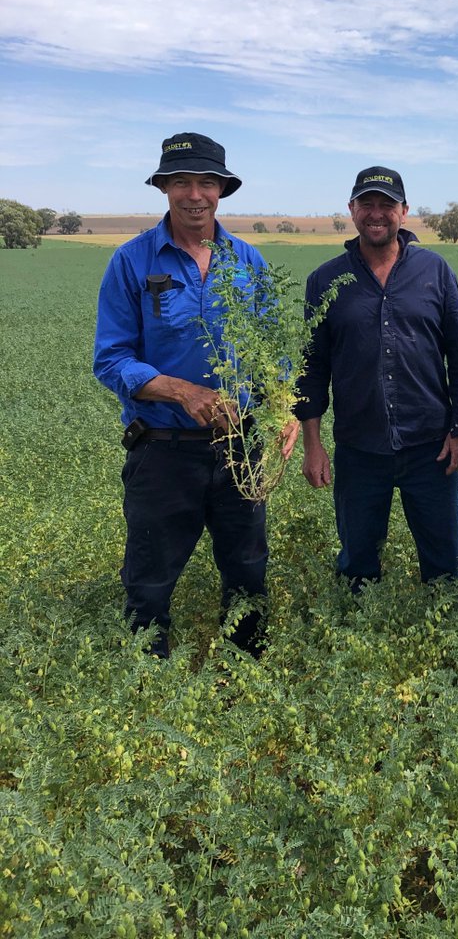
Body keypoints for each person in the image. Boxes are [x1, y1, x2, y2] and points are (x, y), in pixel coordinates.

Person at [93, 132, 299, 657]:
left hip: (240, 449)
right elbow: (111, 359)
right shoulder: (132, 261)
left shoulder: (249, 263)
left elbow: (273, 355)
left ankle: (246, 670)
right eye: (180, 182)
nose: (194, 194)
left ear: (221, 190)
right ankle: (148, 676)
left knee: (248, 571)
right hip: (163, 450)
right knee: (149, 578)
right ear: (163, 188)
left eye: (206, 182)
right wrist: (182, 391)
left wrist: (283, 409)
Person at [296, 166, 458, 588]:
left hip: (431, 448)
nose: (376, 214)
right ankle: (358, 622)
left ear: (404, 212)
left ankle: (448, 624)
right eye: (367, 204)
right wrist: (313, 445)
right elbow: (312, 367)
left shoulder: (435, 271)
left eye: (387, 205)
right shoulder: (325, 280)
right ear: (352, 209)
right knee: (357, 564)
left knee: (446, 565)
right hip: (359, 448)